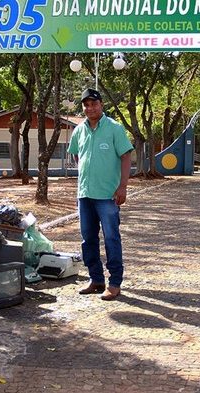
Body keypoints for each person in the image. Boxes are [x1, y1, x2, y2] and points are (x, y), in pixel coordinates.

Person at [68, 88, 134, 301]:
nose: (90, 108)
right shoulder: (79, 130)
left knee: (112, 237)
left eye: (94, 104)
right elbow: (77, 155)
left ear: (101, 105)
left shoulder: (114, 128)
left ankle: (115, 283)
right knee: (88, 239)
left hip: (107, 195)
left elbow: (126, 156)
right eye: (86, 105)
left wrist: (122, 186)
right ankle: (96, 279)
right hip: (85, 194)